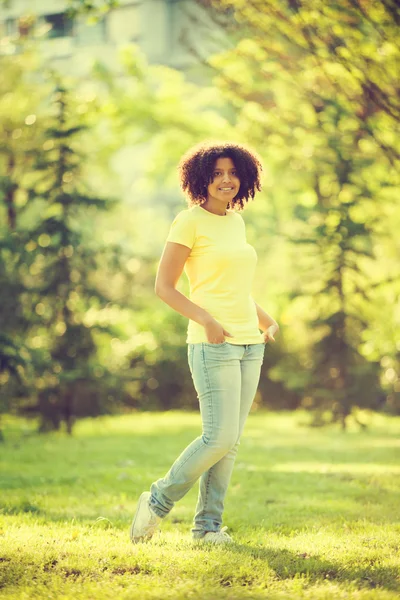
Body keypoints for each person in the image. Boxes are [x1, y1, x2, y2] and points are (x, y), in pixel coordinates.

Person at [130, 141, 279, 545]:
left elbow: (231, 286)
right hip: (212, 343)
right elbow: (164, 287)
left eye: (232, 173)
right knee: (218, 437)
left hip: (251, 343)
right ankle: (157, 501)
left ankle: (207, 528)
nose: (226, 180)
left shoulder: (236, 222)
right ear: (201, 178)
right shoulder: (188, 222)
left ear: (243, 177)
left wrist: (264, 318)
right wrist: (207, 320)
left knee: (229, 444)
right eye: (216, 174)